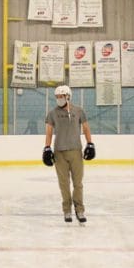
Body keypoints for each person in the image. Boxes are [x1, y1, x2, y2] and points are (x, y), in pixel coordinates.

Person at [43, 85, 95, 223]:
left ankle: (80, 210)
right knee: (64, 184)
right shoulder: (52, 113)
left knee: (78, 183)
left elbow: (86, 128)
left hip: (76, 151)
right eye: (57, 97)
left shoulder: (79, 111)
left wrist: (90, 143)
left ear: (68, 96)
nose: (59, 99)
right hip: (59, 153)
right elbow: (48, 132)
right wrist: (47, 148)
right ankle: (67, 211)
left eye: (61, 96)